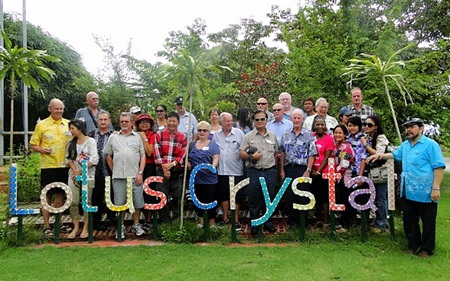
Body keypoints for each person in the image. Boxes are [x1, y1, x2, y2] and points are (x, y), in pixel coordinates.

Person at [367, 117, 445, 257]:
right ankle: (413, 244)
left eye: (412, 126)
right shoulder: (406, 145)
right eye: (406, 127)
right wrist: (378, 156)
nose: (408, 130)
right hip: (407, 190)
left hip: (426, 191)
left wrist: (436, 188)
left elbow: (438, 166)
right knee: (409, 220)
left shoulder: (430, 145)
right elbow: (395, 155)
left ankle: (426, 249)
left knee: (428, 222)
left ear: (421, 128)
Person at [30, 98, 72, 238]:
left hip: (64, 165)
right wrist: (43, 150)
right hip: (48, 166)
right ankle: (46, 225)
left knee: (60, 194)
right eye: (56, 108)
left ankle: (59, 223)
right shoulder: (42, 125)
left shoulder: (68, 124)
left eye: (61, 109)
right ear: (50, 109)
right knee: (47, 195)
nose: (59, 111)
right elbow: (33, 144)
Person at [104, 112, 147, 240]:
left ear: (131, 123)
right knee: (119, 203)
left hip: (135, 176)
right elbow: (108, 155)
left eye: (126, 121)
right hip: (119, 177)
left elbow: (143, 155)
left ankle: (136, 225)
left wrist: (140, 173)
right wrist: (114, 170)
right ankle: (120, 226)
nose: (124, 123)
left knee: (137, 202)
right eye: (122, 121)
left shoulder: (137, 137)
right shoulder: (113, 137)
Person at [240, 110, 278, 235]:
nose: (260, 122)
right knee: (254, 198)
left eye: (262, 119)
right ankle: (255, 224)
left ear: (266, 120)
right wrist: (252, 157)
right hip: (254, 171)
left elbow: (277, 152)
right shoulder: (248, 137)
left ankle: (268, 223)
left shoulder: (272, 136)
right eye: (257, 119)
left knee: (269, 198)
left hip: (269, 171)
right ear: (253, 121)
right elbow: (241, 153)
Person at [279, 109, 317, 228]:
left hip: (302, 169)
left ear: (302, 119)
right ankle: (293, 222)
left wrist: (308, 170)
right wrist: (282, 170)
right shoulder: (285, 134)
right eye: (294, 118)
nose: (296, 120)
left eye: (298, 118)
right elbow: (282, 153)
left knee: (303, 196)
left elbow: (312, 154)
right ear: (291, 119)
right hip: (289, 168)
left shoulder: (308, 135)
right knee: (290, 196)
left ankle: (303, 223)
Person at [66, 119, 99, 239]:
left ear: (80, 128)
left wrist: (82, 170)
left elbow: (94, 159)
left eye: (73, 128)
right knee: (73, 201)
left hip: (88, 174)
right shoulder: (70, 143)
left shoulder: (90, 141)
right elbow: (68, 159)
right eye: (70, 128)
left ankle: (85, 227)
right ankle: (75, 227)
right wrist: (75, 171)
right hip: (73, 175)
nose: (71, 131)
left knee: (87, 202)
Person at [213, 112, 246, 230]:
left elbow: (244, 149)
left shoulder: (239, 133)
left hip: (236, 171)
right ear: (221, 122)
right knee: (224, 197)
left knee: (237, 197)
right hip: (221, 171)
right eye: (227, 121)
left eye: (231, 120)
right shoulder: (216, 135)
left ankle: (236, 220)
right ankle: (225, 218)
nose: (229, 123)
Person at [153, 111, 187, 223]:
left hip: (177, 170)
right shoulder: (159, 135)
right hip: (162, 170)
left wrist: (172, 165)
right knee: (162, 196)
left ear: (178, 122)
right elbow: (157, 154)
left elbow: (183, 154)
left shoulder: (183, 137)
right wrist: (165, 169)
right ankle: (165, 222)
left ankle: (177, 221)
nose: (171, 123)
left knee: (178, 196)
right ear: (166, 121)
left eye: (174, 121)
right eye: (170, 120)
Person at [360, 115, 389, 233]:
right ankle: (367, 222)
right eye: (365, 124)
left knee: (380, 198)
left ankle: (381, 224)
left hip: (380, 171)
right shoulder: (366, 137)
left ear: (376, 126)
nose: (366, 126)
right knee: (368, 197)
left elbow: (379, 154)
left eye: (370, 125)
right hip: (368, 171)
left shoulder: (381, 138)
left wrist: (365, 146)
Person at [188, 121, 220, 227]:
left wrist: (212, 167)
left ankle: (212, 222)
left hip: (209, 178)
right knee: (198, 200)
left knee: (210, 200)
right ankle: (201, 221)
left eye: (204, 130)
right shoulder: (192, 144)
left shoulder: (212, 144)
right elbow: (187, 158)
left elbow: (216, 157)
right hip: (196, 179)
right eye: (200, 130)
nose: (202, 132)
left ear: (209, 132)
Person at [88, 110, 115, 231]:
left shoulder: (114, 135)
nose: (103, 122)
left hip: (110, 169)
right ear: (97, 121)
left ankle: (114, 220)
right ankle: (96, 222)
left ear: (109, 121)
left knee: (112, 195)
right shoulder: (91, 134)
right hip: (94, 171)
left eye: (105, 119)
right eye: (101, 119)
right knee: (96, 197)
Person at [310, 115, 334, 228]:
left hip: (323, 172)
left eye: (322, 124)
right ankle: (318, 220)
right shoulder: (311, 137)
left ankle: (326, 221)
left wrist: (318, 172)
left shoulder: (329, 138)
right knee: (316, 197)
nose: (319, 126)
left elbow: (327, 157)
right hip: (312, 172)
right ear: (314, 126)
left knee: (324, 198)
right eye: (317, 124)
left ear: (325, 126)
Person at [135, 113, 157, 231]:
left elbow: (149, 152)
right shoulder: (133, 135)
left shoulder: (152, 135)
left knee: (149, 193)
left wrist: (144, 138)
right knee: (137, 193)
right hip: (135, 166)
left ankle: (148, 220)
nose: (144, 124)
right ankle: (137, 221)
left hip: (149, 167)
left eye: (147, 122)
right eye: (142, 122)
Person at [346, 116, 368, 226]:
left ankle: (364, 223)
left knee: (362, 197)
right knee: (350, 196)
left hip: (359, 171)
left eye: (354, 126)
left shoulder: (363, 138)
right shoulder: (347, 138)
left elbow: (364, 158)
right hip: (349, 172)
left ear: (359, 126)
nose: (352, 128)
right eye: (350, 125)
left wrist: (360, 175)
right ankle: (350, 222)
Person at [332, 124, 354, 232]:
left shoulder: (347, 147)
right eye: (336, 132)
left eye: (340, 133)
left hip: (345, 178)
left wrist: (336, 174)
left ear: (345, 134)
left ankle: (347, 224)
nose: (337, 135)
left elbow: (344, 165)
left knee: (346, 200)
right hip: (337, 178)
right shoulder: (335, 146)